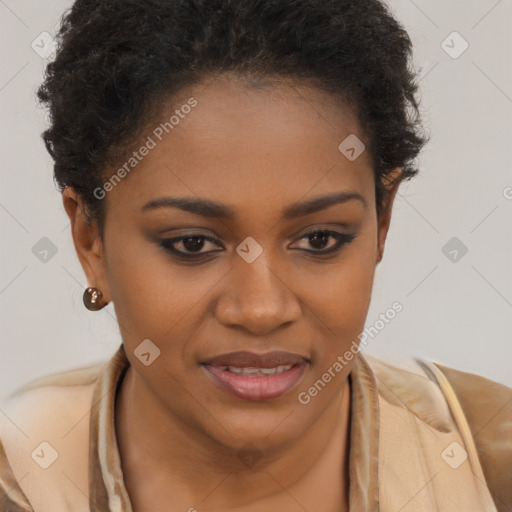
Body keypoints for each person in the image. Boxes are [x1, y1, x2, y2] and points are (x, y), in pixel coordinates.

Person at [1, 0, 510, 511]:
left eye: (319, 239)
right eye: (192, 243)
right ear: (91, 239)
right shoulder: (21, 476)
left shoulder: (491, 464)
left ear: (382, 222)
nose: (261, 309)